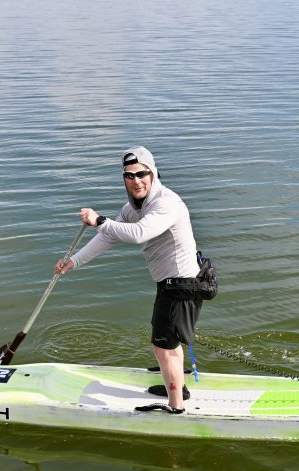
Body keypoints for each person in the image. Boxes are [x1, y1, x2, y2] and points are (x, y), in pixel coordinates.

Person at [54, 146, 202, 414]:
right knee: (168, 343)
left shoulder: (166, 202)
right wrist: (74, 261)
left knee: (163, 346)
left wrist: (99, 219)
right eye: (129, 176)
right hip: (171, 283)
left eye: (141, 174)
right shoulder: (132, 208)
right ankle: (179, 388)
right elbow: (109, 236)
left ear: (153, 173)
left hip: (181, 284)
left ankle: (175, 408)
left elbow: (138, 234)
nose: (136, 181)